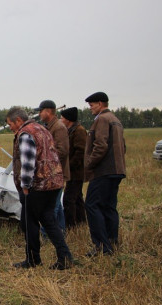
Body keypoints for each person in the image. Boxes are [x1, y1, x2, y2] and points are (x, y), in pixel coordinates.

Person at [6, 107, 73, 270]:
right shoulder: (41, 128)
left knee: (29, 224)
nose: (10, 127)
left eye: (10, 123)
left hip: (38, 186)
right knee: (49, 221)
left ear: (18, 121)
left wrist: (26, 185)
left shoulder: (26, 133)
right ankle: (65, 257)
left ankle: (32, 259)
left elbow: (28, 162)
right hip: (54, 183)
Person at [84, 92, 126, 257]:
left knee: (92, 205)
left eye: (92, 105)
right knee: (109, 207)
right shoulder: (115, 119)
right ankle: (112, 243)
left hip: (104, 171)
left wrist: (90, 163)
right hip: (117, 170)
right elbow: (123, 146)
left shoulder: (102, 119)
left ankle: (101, 246)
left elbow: (100, 146)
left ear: (100, 103)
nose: (91, 109)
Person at [35, 100, 69, 232]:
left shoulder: (59, 127)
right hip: (52, 172)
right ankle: (60, 229)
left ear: (48, 112)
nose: (39, 114)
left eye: (41, 111)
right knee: (57, 205)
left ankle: (47, 234)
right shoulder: (49, 126)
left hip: (56, 173)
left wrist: (46, 161)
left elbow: (63, 150)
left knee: (51, 206)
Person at [59, 107, 87, 228]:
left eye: (62, 118)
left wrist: (69, 166)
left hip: (76, 172)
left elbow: (81, 152)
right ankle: (81, 221)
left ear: (68, 120)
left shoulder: (79, 131)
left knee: (69, 199)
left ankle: (70, 225)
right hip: (74, 172)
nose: (60, 120)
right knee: (78, 198)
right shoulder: (71, 130)